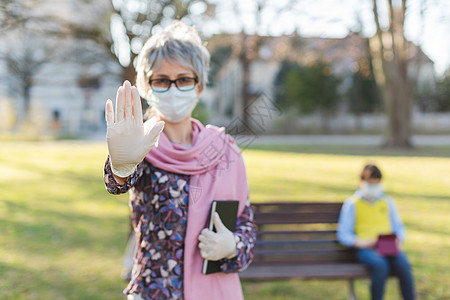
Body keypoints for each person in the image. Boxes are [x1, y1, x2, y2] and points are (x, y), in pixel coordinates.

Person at [103, 21, 256, 300]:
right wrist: (121, 166)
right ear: (146, 87)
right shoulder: (140, 145)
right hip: (156, 291)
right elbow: (118, 183)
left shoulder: (226, 151)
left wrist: (233, 244)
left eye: (184, 79)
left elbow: (245, 222)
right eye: (161, 80)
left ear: (198, 87)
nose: (173, 88)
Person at [337, 164, 415, 300]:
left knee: (403, 264)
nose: (373, 187)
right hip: (366, 248)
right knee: (380, 265)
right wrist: (361, 243)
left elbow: (399, 227)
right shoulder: (353, 203)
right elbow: (343, 233)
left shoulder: (387, 202)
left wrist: (398, 239)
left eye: (376, 183)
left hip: (388, 246)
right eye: (370, 183)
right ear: (362, 182)